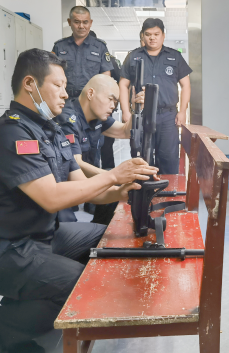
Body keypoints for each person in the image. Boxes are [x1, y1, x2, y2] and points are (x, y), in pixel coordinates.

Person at [0, 49, 158, 353]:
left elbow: (85, 189)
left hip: (42, 237)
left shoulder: (52, 131)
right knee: (81, 284)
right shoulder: (11, 133)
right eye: (58, 85)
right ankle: (5, 325)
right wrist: (113, 175)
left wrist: (122, 191)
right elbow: (52, 198)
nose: (66, 93)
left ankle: (34, 298)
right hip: (3, 250)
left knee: (107, 239)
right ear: (30, 84)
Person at [58, 74, 144, 224]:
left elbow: (125, 131)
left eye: (115, 102)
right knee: (115, 182)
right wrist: (114, 176)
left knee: (116, 185)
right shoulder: (69, 120)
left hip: (82, 181)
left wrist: (136, 110)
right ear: (91, 94)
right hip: (63, 188)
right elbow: (76, 163)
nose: (113, 106)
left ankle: (99, 228)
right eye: (110, 99)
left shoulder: (96, 117)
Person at [119, 18, 192, 174]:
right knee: (141, 158)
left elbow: (186, 85)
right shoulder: (133, 56)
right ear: (142, 36)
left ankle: (167, 187)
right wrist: (126, 111)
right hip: (141, 115)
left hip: (168, 117)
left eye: (156, 34)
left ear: (163, 36)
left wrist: (183, 111)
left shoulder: (174, 56)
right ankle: (143, 189)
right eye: (148, 34)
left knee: (168, 158)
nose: (152, 38)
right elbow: (123, 85)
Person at [100, 34, 144, 170]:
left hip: (103, 111)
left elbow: (125, 132)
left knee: (106, 146)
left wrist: (134, 109)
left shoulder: (111, 61)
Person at [52, 6, 113, 99]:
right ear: (69, 22)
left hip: (91, 99)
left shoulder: (100, 47)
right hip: (65, 98)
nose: (81, 26)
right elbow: (51, 74)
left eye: (85, 22)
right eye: (77, 22)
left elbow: (106, 76)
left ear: (90, 23)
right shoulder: (59, 46)